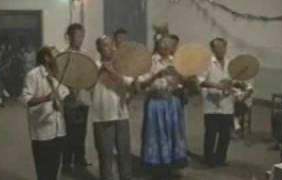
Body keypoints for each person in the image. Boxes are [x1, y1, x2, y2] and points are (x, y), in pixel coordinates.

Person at [137, 37, 188, 179]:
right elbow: (142, 84)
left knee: (172, 133)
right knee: (157, 133)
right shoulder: (150, 61)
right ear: (157, 46)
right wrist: (157, 75)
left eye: (168, 45)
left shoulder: (175, 61)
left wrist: (183, 78)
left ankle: (171, 164)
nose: (165, 47)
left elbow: (182, 82)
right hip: (156, 103)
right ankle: (157, 166)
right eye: (162, 44)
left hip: (173, 102)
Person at [20, 47, 69, 180]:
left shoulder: (57, 75)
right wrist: (46, 98)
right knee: (43, 171)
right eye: (55, 56)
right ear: (46, 57)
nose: (57, 59)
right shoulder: (33, 75)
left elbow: (64, 96)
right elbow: (26, 100)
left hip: (59, 129)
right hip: (42, 131)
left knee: (54, 169)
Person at [90, 36, 134, 180]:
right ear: (98, 49)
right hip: (101, 115)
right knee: (105, 154)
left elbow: (130, 83)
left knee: (124, 153)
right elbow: (85, 85)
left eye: (111, 45)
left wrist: (112, 72)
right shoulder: (93, 66)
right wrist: (99, 71)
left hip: (121, 115)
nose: (109, 48)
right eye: (105, 45)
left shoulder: (121, 65)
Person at [198, 37, 234, 167]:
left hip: (227, 103)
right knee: (211, 133)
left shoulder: (231, 64)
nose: (220, 50)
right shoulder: (207, 63)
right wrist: (217, 86)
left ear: (225, 47)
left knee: (225, 134)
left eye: (222, 47)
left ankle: (221, 158)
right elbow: (200, 81)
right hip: (211, 104)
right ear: (212, 49)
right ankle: (208, 159)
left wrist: (235, 85)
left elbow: (233, 81)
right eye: (217, 47)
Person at [62, 23, 90, 172]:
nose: (80, 39)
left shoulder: (84, 54)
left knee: (81, 133)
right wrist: (72, 91)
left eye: (82, 36)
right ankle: (66, 164)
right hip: (70, 101)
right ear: (70, 37)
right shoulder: (65, 56)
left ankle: (80, 160)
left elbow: (89, 75)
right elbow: (62, 78)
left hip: (83, 99)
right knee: (70, 133)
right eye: (78, 36)